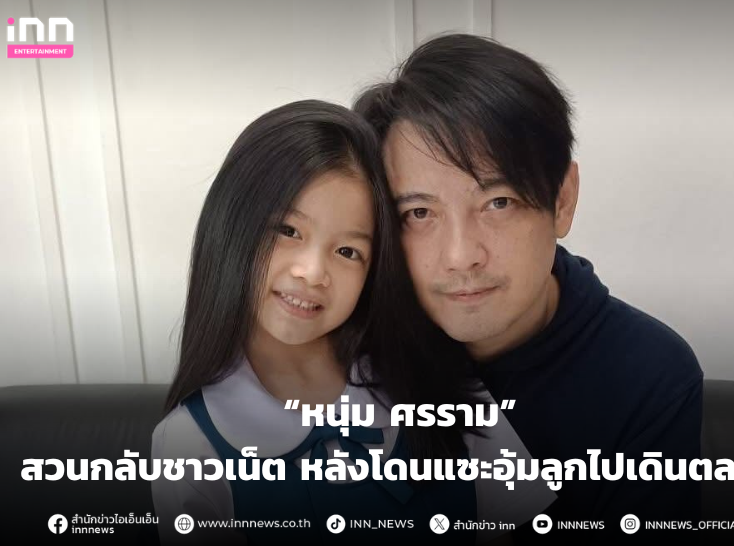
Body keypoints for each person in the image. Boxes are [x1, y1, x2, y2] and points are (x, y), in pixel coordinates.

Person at [150, 100, 555, 545]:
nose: (312, 273)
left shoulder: (439, 375)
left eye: (348, 252)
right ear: (229, 226)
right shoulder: (189, 443)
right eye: (287, 231)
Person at [354, 33, 704, 535]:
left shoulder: (649, 373)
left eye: (498, 203)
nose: (460, 256)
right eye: (419, 213)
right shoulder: (349, 348)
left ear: (562, 200)